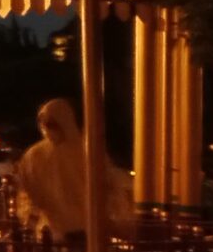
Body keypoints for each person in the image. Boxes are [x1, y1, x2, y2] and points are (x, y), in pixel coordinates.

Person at [16, 97, 135, 241]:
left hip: (56, 232)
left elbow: (29, 195)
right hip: (85, 230)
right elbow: (110, 187)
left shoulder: (34, 156)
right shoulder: (88, 151)